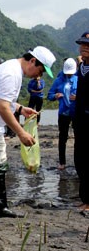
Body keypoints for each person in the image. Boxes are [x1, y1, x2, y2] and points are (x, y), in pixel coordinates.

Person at [0, 46, 56, 221]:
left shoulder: (14, 70)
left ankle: (0, 206)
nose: (39, 75)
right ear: (33, 61)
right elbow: (2, 107)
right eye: (40, 70)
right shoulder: (11, 73)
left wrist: (20, 108)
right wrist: (21, 133)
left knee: (0, 166)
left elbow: (5, 101)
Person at [47, 58, 78, 171]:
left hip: (76, 112)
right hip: (63, 113)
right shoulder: (58, 80)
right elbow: (49, 95)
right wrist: (55, 96)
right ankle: (62, 162)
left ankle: (77, 162)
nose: (69, 75)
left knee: (78, 138)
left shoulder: (78, 80)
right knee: (62, 137)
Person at [74, 31, 89, 212]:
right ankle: (84, 198)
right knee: (80, 159)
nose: (84, 47)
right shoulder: (81, 68)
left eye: (88, 45)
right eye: (83, 44)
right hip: (80, 120)